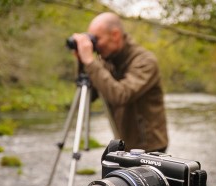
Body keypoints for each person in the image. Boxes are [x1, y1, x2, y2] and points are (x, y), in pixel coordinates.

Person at [72, 12, 168, 152]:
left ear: (115, 35)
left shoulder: (145, 61)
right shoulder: (106, 63)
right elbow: (87, 97)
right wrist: (83, 63)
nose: (95, 45)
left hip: (149, 148)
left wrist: (90, 62)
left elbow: (120, 95)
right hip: (124, 145)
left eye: (97, 39)